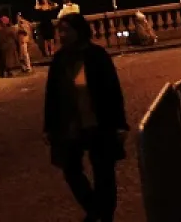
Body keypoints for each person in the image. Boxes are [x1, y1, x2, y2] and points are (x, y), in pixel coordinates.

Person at [44, 13, 127, 222]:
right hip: (71, 124)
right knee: (71, 170)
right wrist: (49, 126)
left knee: (104, 173)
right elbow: (52, 96)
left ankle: (103, 215)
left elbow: (112, 91)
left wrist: (119, 123)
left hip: (98, 121)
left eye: (66, 30)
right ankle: (96, 209)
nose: (61, 35)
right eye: (60, 30)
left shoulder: (97, 56)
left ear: (78, 31)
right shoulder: (60, 60)